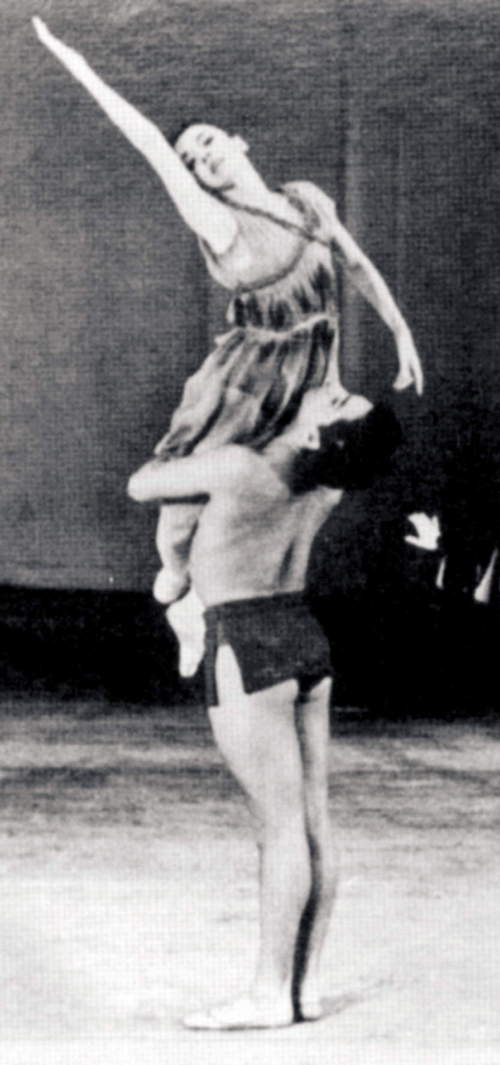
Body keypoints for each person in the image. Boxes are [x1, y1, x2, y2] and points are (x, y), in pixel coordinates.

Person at [32, 16, 423, 649]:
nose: (201, 157)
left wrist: (400, 329)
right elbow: (152, 148)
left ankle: (222, 603)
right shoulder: (220, 223)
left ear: (237, 141)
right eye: (192, 160)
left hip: (313, 369)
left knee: (303, 492)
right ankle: (176, 587)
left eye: (208, 142)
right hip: (250, 380)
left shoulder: (305, 198)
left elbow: (353, 262)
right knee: (182, 511)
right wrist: (78, 66)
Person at [127, 385, 402, 1029]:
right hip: (304, 638)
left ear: (316, 435)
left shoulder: (239, 469)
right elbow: (321, 409)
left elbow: (141, 485)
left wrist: (199, 436)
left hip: (246, 640)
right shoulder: (328, 484)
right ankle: (304, 989)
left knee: (279, 829)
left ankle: (269, 995)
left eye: (338, 402)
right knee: (312, 821)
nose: (330, 389)